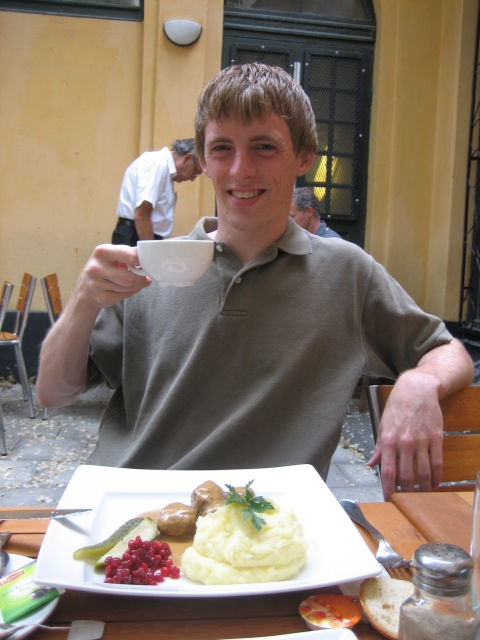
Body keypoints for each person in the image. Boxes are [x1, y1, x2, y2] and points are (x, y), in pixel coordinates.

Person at [37, 63, 473, 501]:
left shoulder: (346, 272)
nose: (241, 170)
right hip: (129, 519)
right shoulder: (152, 264)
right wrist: (83, 299)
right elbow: (53, 393)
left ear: (304, 157)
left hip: (265, 534)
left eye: (264, 147)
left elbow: (446, 350)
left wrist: (420, 383)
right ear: (203, 161)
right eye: (223, 148)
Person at [111, 139, 202, 247]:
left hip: (140, 236)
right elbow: (141, 215)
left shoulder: (163, 168)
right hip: (135, 237)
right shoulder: (157, 164)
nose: (192, 178)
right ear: (188, 158)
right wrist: (151, 254)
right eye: (195, 172)